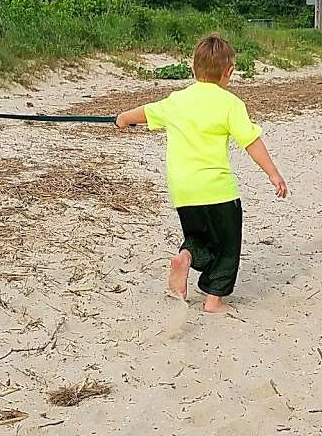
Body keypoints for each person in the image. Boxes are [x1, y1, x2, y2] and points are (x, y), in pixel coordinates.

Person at [115, 34, 288, 314]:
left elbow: (144, 113)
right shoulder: (230, 103)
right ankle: (213, 301)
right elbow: (251, 141)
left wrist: (122, 118)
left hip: (184, 191)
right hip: (218, 190)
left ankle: (185, 257)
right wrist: (273, 174)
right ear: (229, 72)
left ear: (192, 69)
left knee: (200, 237)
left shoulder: (177, 100)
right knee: (227, 245)